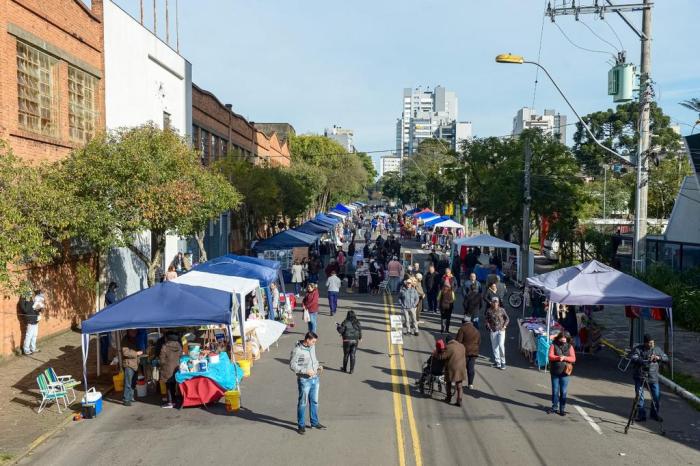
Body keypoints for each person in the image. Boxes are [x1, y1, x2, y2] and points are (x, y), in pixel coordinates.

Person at [289, 332, 326, 435]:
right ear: (307, 340)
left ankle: (314, 422)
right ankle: (301, 425)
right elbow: (292, 365)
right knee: (303, 403)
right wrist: (305, 370)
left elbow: (314, 359)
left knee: (314, 401)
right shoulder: (297, 350)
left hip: (315, 378)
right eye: (313, 341)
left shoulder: (312, 347)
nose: (314, 344)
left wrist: (318, 365)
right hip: (304, 380)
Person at [630, 334, 668, 422]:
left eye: (653, 342)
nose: (652, 344)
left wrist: (658, 357)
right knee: (640, 397)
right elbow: (633, 357)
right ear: (645, 343)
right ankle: (641, 415)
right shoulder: (638, 349)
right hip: (640, 376)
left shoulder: (657, 349)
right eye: (650, 343)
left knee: (656, 397)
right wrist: (643, 361)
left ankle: (654, 414)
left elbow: (666, 358)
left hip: (653, 378)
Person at [547, 331, 576, 416]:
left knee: (563, 391)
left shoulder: (570, 347)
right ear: (558, 338)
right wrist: (559, 357)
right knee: (555, 391)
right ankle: (554, 407)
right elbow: (550, 356)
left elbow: (573, 359)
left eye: (565, 339)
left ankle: (562, 409)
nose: (563, 341)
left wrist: (565, 358)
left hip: (565, 372)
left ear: (567, 339)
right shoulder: (553, 345)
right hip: (555, 371)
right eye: (562, 339)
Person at [437, 336, 467, 407]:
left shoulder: (449, 347)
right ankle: (459, 400)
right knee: (459, 385)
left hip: (452, 368)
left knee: (448, 383)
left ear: (447, 341)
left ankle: (448, 398)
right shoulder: (462, 346)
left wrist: (438, 353)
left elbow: (442, 357)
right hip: (461, 368)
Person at [455, 317, 481, 389]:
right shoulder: (476, 330)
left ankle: (459, 383)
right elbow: (479, 342)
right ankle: (470, 384)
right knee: (471, 368)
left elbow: (458, 341)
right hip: (474, 353)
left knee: (462, 367)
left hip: (464, 352)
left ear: (463, 322)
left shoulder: (462, 329)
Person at [158, 332, 182, 408]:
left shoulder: (165, 346)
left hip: (167, 368)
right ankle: (174, 400)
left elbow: (161, 359)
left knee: (168, 385)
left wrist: (162, 365)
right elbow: (181, 356)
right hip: (176, 368)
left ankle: (170, 402)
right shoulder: (179, 346)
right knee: (174, 384)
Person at [485, 297, 509, 370]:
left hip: (501, 330)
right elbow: (486, 320)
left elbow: (507, 318)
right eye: (494, 302)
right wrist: (489, 327)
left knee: (501, 345)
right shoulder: (489, 311)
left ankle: (503, 362)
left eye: (496, 302)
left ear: (498, 303)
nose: (495, 303)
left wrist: (504, 326)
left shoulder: (502, 310)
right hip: (493, 330)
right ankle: (497, 362)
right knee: (495, 347)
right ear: (492, 303)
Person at [121, 329, 143, 406]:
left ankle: (131, 397)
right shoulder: (125, 339)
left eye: (135, 331)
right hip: (128, 364)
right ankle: (126, 399)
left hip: (135, 364)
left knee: (133, 382)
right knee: (128, 383)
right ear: (128, 331)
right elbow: (125, 352)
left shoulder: (136, 338)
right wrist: (136, 353)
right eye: (133, 331)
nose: (134, 332)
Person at [22, 289, 46, 356]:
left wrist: (40, 308)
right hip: (30, 320)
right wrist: (31, 303)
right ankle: (26, 350)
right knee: (29, 335)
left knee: (34, 335)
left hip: (35, 320)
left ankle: (33, 348)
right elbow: (25, 309)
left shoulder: (35, 300)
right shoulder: (25, 300)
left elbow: (39, 309)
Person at [99, 282, 118, 364]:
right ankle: (104, 360)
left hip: (107, 320)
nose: (116, 290)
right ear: (113, 287)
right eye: (115, 288)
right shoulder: (110, 294)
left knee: (106, 343)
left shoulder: (109, 294)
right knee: (105, 343)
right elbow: (114, 304)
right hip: (106, 322)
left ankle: (105, 359)